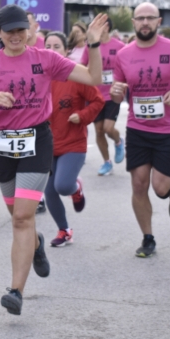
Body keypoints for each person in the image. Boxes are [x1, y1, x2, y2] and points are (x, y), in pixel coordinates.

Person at [0, 5, 106, 315]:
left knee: (22, 216)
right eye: (9, 30)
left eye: (21, 29)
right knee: (18, 218)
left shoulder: (45, 59)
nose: (16, 35)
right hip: (3, 146)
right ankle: (35, 242)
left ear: (29, 31)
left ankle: (15, 291)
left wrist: (93, 44)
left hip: (37, 141)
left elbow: (93, 76)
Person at [110, 2, 170, 258]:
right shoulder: (124, 55)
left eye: (150, 18)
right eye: (141, 18)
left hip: (168, 129)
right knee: (139, 185)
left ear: (159, 21)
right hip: (137, 128)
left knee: (160, 188)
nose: (145, 23)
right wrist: (116, 93)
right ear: (134, 22)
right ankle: (148, 238)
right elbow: (118, 94)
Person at [44, 31, 104, 247]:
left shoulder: (75, 75)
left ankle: (76, 188)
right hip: (47, 144)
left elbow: (98, 101)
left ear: (66, 50)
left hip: (73, 144)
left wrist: (83, 116)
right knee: (49, 190)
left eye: (56, 46)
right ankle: (64, 230)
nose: (51, 51)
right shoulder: (38, 75)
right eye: (47, 46)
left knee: (62, 185)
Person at [82, 18, 126, 176]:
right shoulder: (90, 47)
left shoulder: (119, 46)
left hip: (112, 94)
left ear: (106, 27)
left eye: (98, 25)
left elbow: (127, 68)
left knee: (108, 128)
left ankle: (118, 141)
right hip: (95, 95)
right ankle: (107, 162)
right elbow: (83, 67)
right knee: (99, 131)